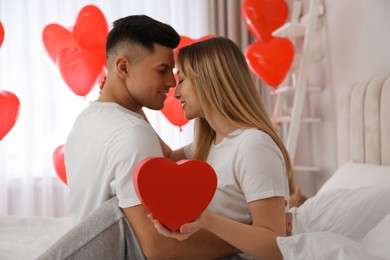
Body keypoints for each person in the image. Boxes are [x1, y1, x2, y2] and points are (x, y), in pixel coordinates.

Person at [65, 15, 240, 259]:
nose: (171, 82)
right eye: (162, 70)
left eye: (173, 71)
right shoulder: (131, 134)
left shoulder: (87, 119)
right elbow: (159, 247)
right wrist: (242, 241)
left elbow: (167, 158)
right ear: (123, 67)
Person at [148, 37, 295, 260]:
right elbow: (167, 158)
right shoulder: (209, 143)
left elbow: (275, 248)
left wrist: (205, 220)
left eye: (183, 80)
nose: (176, 93)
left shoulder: (252, 145)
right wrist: (128, 104)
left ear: (208, 81)